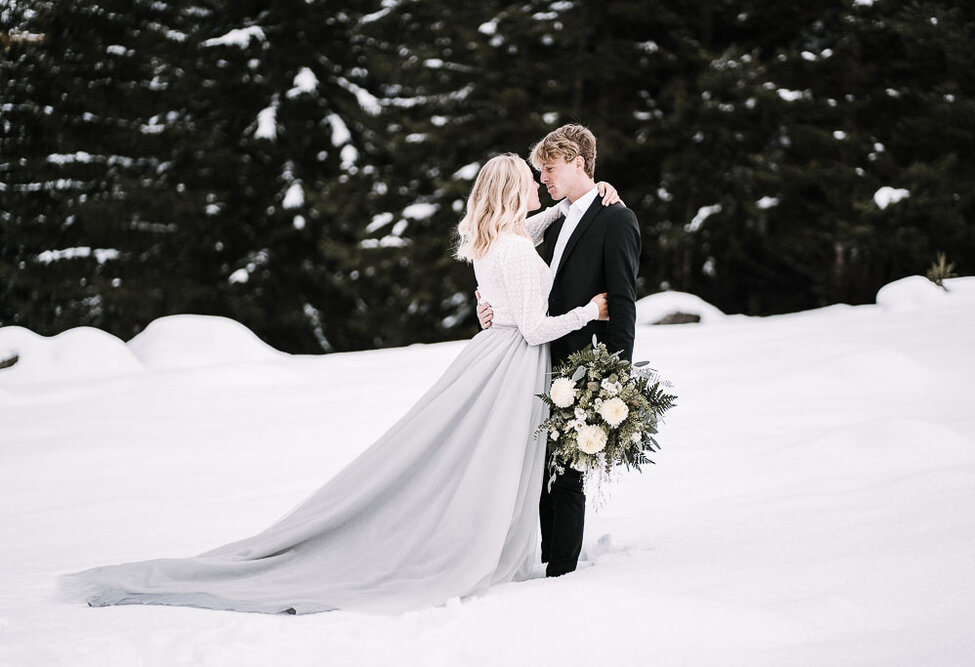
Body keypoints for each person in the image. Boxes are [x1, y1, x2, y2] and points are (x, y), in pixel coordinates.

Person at [60, 154, 623, 615]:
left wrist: (579, 203)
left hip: (486, 356)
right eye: (530, 180)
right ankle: (477, 543)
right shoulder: (518, 249)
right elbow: (532, 327)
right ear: (512, 191)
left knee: (461, 458)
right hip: (512, 365)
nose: (537, 184)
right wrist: (589, 311)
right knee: (490, 463)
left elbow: (528, 237)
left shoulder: (491, 242)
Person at [477, 125, 640, 578]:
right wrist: (488, 305)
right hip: (538, 359)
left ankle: (561, 573)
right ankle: (547, 561)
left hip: (586, 365)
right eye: (540, 171)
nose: (543, 177)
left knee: (567, 473)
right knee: (539, 470)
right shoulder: (557, 217)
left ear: (577, 162)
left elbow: (622, 301)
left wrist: (615, 378)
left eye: (549, 168)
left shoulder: (616, 218)